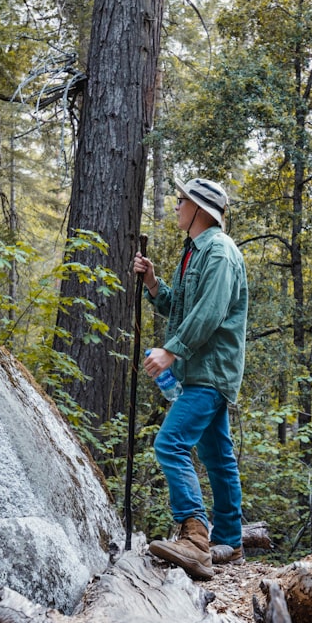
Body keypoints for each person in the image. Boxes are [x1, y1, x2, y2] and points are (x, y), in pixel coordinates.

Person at [132, 177, 249, 580]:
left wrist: (171, 350)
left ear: (200, 209)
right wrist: (152, 282)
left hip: (210, 370)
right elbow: (180, 307)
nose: (177, 205)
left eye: (182, 200)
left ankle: (196, 540)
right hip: (198, 369)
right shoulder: (193, 252)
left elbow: (211, 312)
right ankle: (231, 543)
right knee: (218, 456)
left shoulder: (219, 252)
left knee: (170, 443)